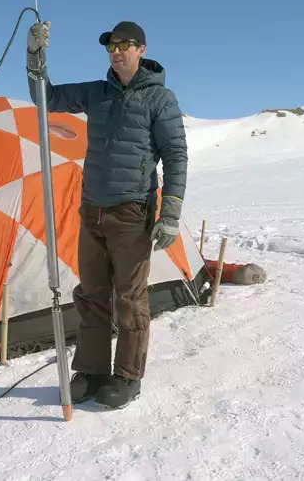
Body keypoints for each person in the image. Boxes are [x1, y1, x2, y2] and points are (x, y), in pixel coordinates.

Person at [26, 20, 188, 409]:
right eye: (111, 46)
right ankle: (92, 371)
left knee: (129, 298)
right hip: (93, 211)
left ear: (141, 50)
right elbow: (45, 97)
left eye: (124, 45)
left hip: (132, 211)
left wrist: (170, 213)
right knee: (92, 294)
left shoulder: (159, 99)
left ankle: (128, 376)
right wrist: (35, 56)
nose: (117, 51)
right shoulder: (96, 93)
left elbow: (176, 155)